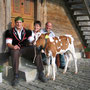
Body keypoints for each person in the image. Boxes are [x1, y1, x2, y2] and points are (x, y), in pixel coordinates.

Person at [5, 16, 47, 86]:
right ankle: (16, 76)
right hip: (15, 49)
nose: (19, 24)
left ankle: (41, 73)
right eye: (17, 22)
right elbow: (8, 43)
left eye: (20, 22)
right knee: (15, 52)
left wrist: (35, 40)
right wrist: (13, 46)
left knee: (36, 50)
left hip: (25, 49)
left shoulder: (27, 31)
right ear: (15, 23)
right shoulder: (9, 32)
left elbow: (31, 40)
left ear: (22, 23)